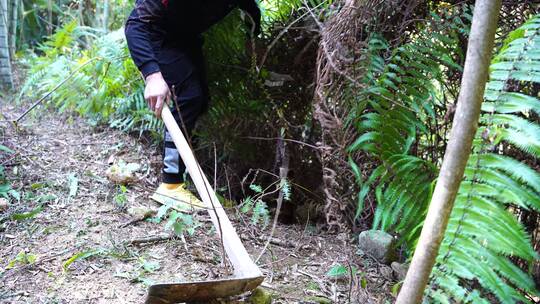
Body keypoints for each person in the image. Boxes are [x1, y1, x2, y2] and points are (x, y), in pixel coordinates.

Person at [125, 0, 261, 209]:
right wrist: (152, 75)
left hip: (184, 38)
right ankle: (171, 185)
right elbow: (135, 25)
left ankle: (192, 182)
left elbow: (251, 9)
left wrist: (252, 38)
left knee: (201, 101)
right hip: (155, 35)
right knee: (189, 97)